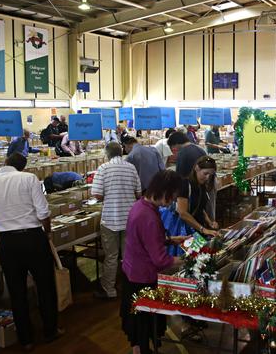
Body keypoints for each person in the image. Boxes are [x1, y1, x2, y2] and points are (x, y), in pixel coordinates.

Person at [0, 153, 62, 351]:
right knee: (45, 285)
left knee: (16, 291)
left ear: (5, 163)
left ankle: (25, 338)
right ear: (22, 167)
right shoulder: (29, 179)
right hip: (34, 238)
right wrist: (47, 232)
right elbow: (43, 213)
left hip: (8, 243)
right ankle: (50, 330)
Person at [120, 170, 185, 354]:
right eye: (171, 196)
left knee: (138, 324)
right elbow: (160, 259)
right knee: (142, 323)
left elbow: (146, 240)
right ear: (164, 192)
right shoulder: (147, 216)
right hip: (142, 277)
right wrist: (187, 259)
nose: (172, 200)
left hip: (132, 272)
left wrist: (170, 240)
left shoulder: (141, 205)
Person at [92, 142, 142, 299]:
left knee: (111, 256)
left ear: (107, 154)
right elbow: (139, 193)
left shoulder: (103, 168)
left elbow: (97, 194)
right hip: (129, 218)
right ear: (121, 152)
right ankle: (130, 286)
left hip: (110, 219)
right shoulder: (131, 168)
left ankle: (110, 289)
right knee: (129, 254)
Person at [176, 156, 220, 240]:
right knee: (192, 252)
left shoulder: (202, 185)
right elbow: (182, 213)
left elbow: (200, 208)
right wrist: (203, 229)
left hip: (197, 230)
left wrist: (210, 222)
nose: (207, 177)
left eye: (210, 175)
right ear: (196, 168)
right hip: (187, 231)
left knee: (202, 251)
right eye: (205, 173)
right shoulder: (185, 185)